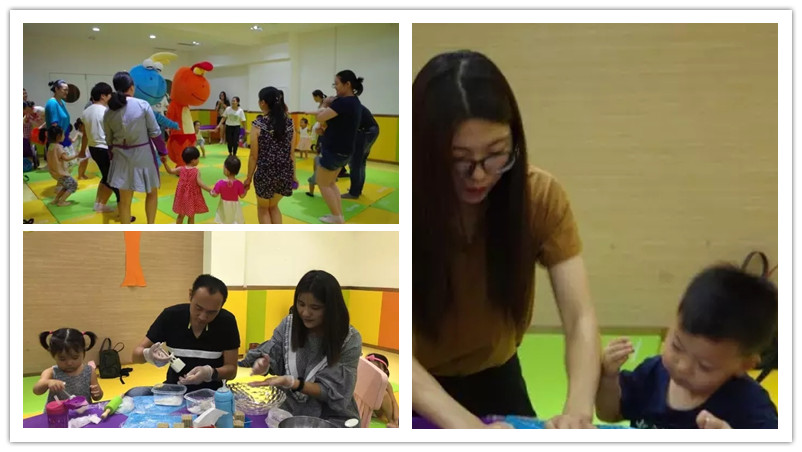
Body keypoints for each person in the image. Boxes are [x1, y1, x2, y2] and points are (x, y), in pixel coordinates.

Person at [412, 51, 601, 429]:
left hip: (497, 374)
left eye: (496, 154)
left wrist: (578, 412)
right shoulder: (406, 210)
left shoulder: (538, 196)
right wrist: (471, 429)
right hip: (417, 384)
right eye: (458, 159)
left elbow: (580, 316)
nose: (479, 175)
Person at [596, 265, 778, 429]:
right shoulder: (652, 374)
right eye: (677, 346)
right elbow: (609, 414)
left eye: (704, 366)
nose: (682, 366)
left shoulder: (751, 407)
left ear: (745, 365)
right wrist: (608, 378)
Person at [242, 270, 362, 425]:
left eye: (315, 307)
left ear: (331, 308)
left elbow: (335, 393)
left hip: (332, 417)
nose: (305, 313)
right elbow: (272, 356)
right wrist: (264, 365)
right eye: (301, 304)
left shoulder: (349, 339)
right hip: (288, 411)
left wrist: (294, 383)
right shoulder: (289, 325)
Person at [131, 274, 240, 393]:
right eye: (198, 308)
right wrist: (148, 355)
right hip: (174, 390)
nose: (203, 317)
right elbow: (136, 356)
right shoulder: (171, 316)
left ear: (221, 306)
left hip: (212, 393)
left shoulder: (227, 322)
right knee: (135, 392)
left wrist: (210, 373)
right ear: (190, 295)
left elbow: (232, 370)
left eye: (212, 312)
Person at [104, 71, 162, 224]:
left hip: (120, 156)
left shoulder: (109, 111)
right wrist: (163, 152)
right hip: (143, 155)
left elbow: (108, 139)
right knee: (152, 193)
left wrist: (112, 155)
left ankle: (126, 231)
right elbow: (155, 132)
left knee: (124, 201)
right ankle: (151, 226)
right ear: (131, 87)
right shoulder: (142, 105)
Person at [311, 70, 364, 223]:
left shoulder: (343, 102)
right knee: (331, 183)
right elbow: (339, 124)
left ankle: (336, 217)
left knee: (323, 183)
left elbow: (320, 117)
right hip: (344, 150)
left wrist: (324, 104)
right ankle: (338, 215)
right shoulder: (354, 102)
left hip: (334, 150)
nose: (335, 87)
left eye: (337, 84)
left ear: (347, 84)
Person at [243, 87, 295, 224]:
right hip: (284, 173)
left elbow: (253, 156)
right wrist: (293, 175)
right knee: (274, 207)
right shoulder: (289, 124)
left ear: (263, 103)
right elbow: (291, 154)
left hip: (265, 174)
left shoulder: (258, 124)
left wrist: (248, 178)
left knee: (263, 208)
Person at [33, 328, 103, 405]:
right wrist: (48, 382)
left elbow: (97, 397)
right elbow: (37, 391)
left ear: (83, 353)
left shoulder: (89, 371)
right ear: (53, 356)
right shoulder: (51, 372)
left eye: (75, 357)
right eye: (62, 359)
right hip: (59, 411)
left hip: (82, 411)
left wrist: (97, 393)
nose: (69, 363)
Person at [81, 82, 119, 214]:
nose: (111, 97)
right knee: (113, 179)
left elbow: (84, 134)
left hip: (93, 148)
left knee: (106, 176)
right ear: (103, 96)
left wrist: (82, 150)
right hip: (104, 148)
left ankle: (98, 204)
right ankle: (118, 208)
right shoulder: (105, 111)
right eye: (109, 95)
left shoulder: (86, 111)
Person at [161, 146, 212, 224]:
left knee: (181, 215)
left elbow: (170, 171)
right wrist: (210, 190)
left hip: (182, 197)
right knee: (191, 216)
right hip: (191, 197)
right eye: (197, 158)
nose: (198, 160)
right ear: (193, 161)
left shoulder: (181, 169)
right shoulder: (196, 171)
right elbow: (200, 183)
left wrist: (165, 163)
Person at [343, 105, 380, 199]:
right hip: (371, 130)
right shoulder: (353, 104)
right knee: (361, 162)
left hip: (366, 132)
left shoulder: (347, 106)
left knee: (355, 162)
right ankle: (357, 189)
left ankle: (354, 192)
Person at [45, 125, 80, 207]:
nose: (64, 136)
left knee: (66, 186)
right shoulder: (59, 147)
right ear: (58, 136)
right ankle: (62, 201)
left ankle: (56, 199)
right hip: (61, 173)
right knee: (73, 185)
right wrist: (76, 155)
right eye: (63, 134)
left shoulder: (50, 146)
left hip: (54, 172)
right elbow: (66, 158)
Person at [210, 155, 247, 224]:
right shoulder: (239, 184)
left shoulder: (220, 183)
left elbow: (214, 194)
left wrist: (211, 192)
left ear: (227, 170)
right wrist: (246, 189)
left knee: (223, 221)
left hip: (224, 207)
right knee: (235, 221)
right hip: (235, 207)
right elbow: (242, 195)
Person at [365, 353, 400, 428]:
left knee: (384, 394)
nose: (373, 372)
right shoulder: (363, 377)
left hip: (376, 410)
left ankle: (391, 421)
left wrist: (396, 419)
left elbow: (393, 401)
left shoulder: (386, 384)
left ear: (385, 371)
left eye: (377, 369)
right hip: (363, 409)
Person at [43, 79, 73, 160]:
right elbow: (54, 124)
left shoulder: (62, 102)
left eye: (67, 90)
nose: (66, 92)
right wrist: (59, 140)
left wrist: (68, 136)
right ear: (56, 89)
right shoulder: (52, 103)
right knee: (62, 162)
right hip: (58, 138)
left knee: (69, 163)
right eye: (64, 90)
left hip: (64, 135)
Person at [23, 101, 42, 169]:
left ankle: (29, 164)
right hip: (24, 138)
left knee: (29, 152)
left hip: (27, 138)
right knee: (27, 153)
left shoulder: (28, 116)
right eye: (27, 108)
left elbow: (34, 124)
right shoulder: (26, 117)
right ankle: (28, 165)